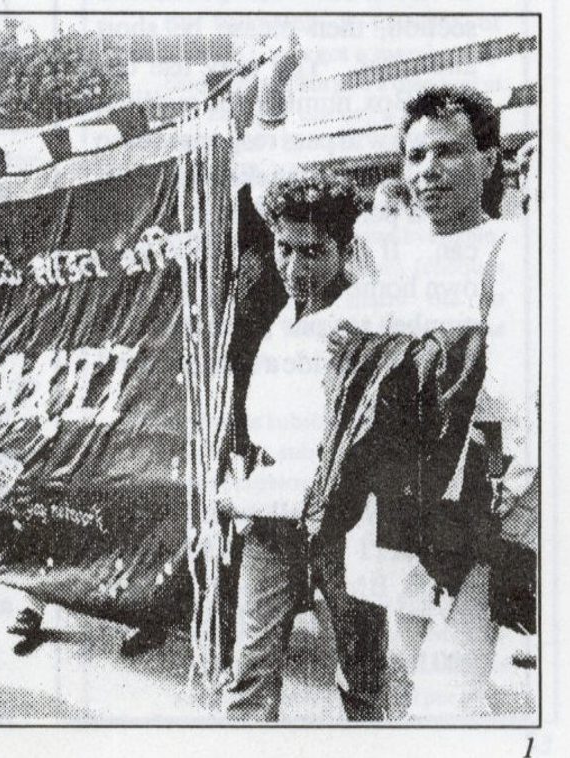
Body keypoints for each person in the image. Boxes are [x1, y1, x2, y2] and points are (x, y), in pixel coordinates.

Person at [341, 85, 538, 720]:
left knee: (449, 699)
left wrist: (525, 484)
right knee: (411, 672)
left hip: (476, 494)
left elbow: (518, 386)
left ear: (488, 159)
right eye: (415, 156)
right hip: (399, 498)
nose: (427, 172)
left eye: (447, 153)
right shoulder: (394, 251)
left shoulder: (517, 249)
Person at [217, 170, 388, 722]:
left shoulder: (361, 320)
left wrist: (370, 306)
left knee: (361, 676)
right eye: (283, 249)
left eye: (312, 252)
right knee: (249, 674)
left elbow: (345, 445)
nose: (293, 267)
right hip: (271, 521)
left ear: (344, 249)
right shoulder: (283, 317)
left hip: (341, 525)